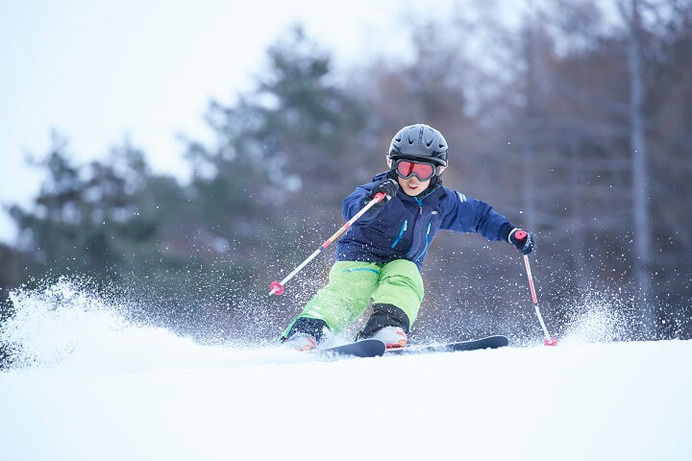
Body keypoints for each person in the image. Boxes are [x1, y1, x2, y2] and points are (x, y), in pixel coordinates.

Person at [280, 124, 534, 351]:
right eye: (406, 168)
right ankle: (307, 331)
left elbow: (479, 215)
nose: (413, 178)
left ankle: (384, 327)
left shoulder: (442, 202)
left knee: (407, 278)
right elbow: (352, 207)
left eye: (422, 170)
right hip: (359, 257)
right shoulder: (380, 192)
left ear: (438, 170)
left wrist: (509, 232)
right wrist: (374, 202)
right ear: (392, 164)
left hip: (402, 261)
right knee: (350, 292)